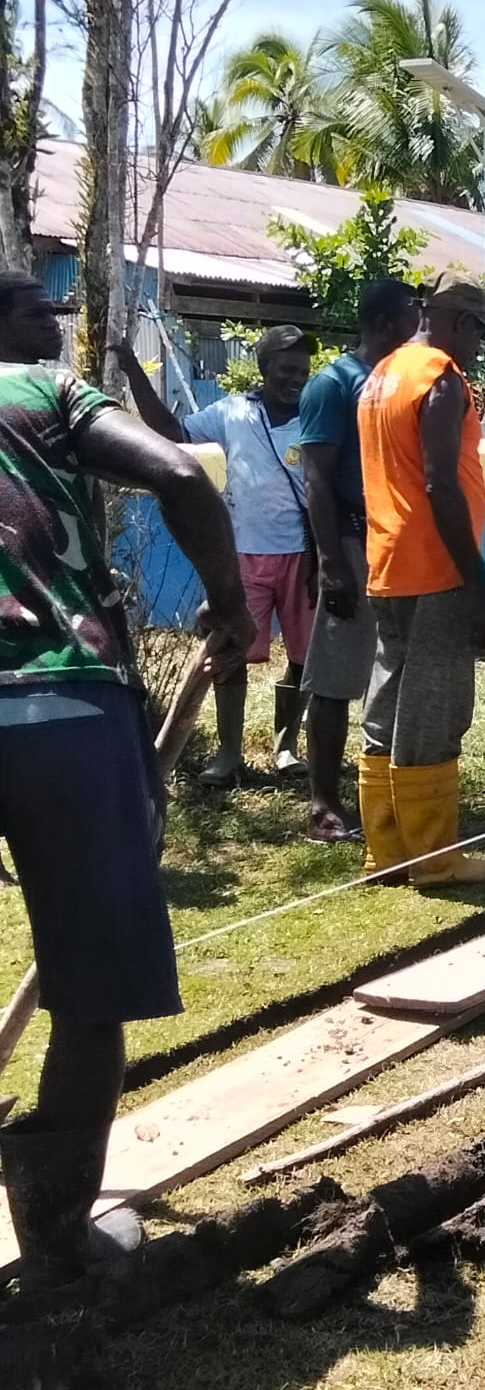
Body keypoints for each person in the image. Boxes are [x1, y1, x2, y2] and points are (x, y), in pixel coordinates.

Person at [0, 272, 253, 1291]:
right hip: (58, 702)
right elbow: (184, 480)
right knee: (91, 993)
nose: (52, 333)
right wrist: (231, 605)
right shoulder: (47, 394)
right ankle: (58, 1237)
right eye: (34, 315)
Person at [355, 278, 485, 887]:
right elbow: (440, 485)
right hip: (435, 568)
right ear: (464, 325)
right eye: (479, 338)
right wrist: (479, 589)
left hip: (387, 564)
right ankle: (433, 858)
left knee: (388, 704)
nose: (477, 353)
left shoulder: (381, 375)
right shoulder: (440, 378)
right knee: (434, 708)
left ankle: (386, 851)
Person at [114, 326, 315, 784]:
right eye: (287, 369)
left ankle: (287, 746)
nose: (297, 378)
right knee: (231, 650)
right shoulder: (234, 411)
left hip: (305, 557)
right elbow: (172, 431)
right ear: (264, 369)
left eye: (303, 371)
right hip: (244, 554)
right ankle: (228, 754)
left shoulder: (317, 416)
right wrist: (131, 370)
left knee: (304, 655)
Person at [297, 281, 419, 843]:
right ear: (388, 325)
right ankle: (323, 802)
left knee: (392, 673)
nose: (419, 330)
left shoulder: (397, 382)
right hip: (348, 543)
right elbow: (317, 478)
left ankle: (390, 794)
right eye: (412, 319)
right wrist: (329, 562)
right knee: (336, 677)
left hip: (393, 543)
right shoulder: (334, 384)